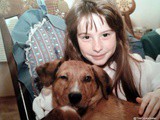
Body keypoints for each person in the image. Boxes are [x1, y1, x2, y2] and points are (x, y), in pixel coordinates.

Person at [63, 0, 160, 119]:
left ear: (118, 36)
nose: (97, 47)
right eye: (86, 37)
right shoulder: (62, 79)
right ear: (74, 41)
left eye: (105, 35)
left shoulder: (135, 67)